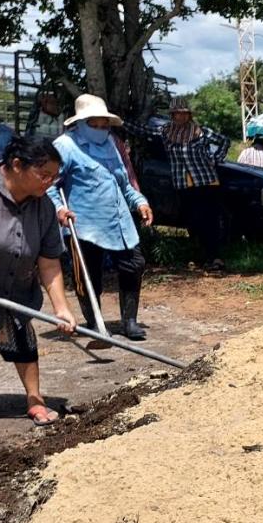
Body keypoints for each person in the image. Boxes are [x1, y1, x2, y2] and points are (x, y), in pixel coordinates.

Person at [0, 136, 77, 426]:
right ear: (17, 165)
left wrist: (61, 308)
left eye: (54, 177)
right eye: (44, 175)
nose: (49, 183)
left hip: (13, 291)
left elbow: (49, 261)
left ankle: (34, 400)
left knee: (24, 344)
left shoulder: (43, 206)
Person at [49, 94, 154, 341]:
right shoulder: (65, 145)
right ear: (80, 123)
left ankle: (129, 321)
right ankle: (95, 323)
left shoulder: (111, 143)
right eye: (94, 124)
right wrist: (58, 209)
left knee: (134, 264)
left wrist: (140, 202)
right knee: (88, 273)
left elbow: (123, 181)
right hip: (83, 222)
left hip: (118, 220)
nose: (100, 129)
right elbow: (49, 184)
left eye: (103, 124)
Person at [126, 97, 230, 271]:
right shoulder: (166, 131)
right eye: (176, 114)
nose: (180, 117)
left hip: (206, 181)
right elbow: (143, 131)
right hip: (183, 183)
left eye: (183, 114)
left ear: (188, 115)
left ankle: (215, 257)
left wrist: (215, 159)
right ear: (172, 115)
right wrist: (121, 122)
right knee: (192, 220)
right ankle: (200, 256)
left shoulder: (201, 132)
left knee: (209, 219)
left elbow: (224, 141)